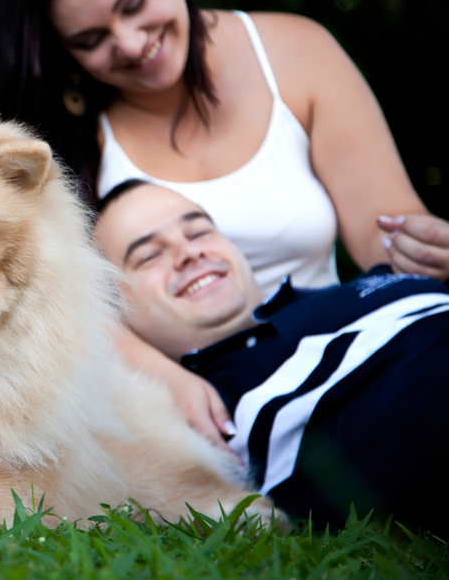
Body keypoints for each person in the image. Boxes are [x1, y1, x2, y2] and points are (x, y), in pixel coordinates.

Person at [0, 0, 449, 298]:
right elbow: (58, 303)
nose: (132, 44)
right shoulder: (54, 137)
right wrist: (175, 383)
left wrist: (425, 245)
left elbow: (385, 236)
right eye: (91, 40)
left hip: (340, 366)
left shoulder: (298, 51)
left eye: (135, 3)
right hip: (166, 405)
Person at [96, 179, 448, 533]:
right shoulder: (216, 417)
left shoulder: (367, 284)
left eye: (199, 232)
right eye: (149, 256)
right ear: (116, 312)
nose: (189, 253)